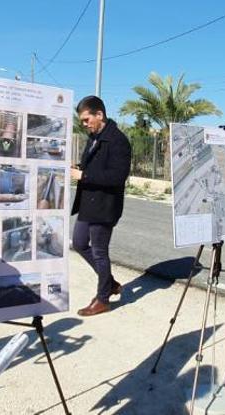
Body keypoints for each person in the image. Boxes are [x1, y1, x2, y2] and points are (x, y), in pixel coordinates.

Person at [71, 95, 132, 316]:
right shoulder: (93, 137)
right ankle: (110, 283)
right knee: (78, 243)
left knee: (99, 252)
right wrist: (78, 167)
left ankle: (103, 299)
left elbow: (117, 176)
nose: (85, 124)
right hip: (88, 204)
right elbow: (93, 165)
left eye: (87, 119)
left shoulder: (118, 140)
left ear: (100, 115)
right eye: (83, 121)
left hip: (105, 207)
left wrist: (84, 175)